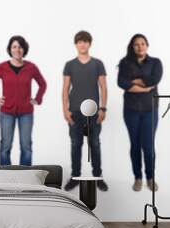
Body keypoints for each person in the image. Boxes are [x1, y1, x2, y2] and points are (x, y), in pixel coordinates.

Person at [0, 35, 47, 166]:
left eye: (20, 47)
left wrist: (37, 99)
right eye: (14, 47)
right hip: (7, 112)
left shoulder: (31, 67)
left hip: (26, 112)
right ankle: (4, 177)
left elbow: (43, 84)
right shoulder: (1, 67)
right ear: (10, 49)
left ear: (24, 49)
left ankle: (25, 178)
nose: (17, 50)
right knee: (5, 147)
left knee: (26, 147)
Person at [62, 31, 108, 191]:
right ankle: (75, 176)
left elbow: (103, 86)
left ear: (90, 43)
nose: (82, 44)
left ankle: (98, 176)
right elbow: (65, 88)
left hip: (94, 112)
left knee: (94, 144)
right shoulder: (70, 64)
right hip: (74, 111)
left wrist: (103, 108)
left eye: (85, 41)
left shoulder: (98, 64)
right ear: (76, 44)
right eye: (79, 42)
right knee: (76, 144)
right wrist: (65, 110)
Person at [118, 34, 163, 192]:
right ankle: (137, 177)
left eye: (143, 43)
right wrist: (143, 86)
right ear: (132, 46)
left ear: (147, 45)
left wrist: (134, 81)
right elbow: (121, 82)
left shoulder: (155, 63)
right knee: (135, 145)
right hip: (131, 110)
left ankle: (150, 177)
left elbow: (154, 79)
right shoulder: (125, 63)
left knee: (148, 146)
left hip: (150, 109)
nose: (140, 46)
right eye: (136, 44)